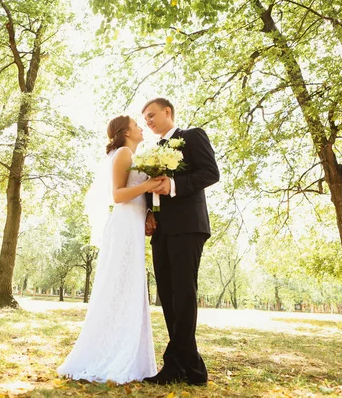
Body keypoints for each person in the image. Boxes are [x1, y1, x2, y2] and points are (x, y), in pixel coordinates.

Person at [57, 115, 161, 384]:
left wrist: (149, 209)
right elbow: (118, 196)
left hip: (135, 224)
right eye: (137, 124)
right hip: (124, 225)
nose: (141, 127)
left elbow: (135, 195)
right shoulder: (124, 152)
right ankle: (110, 354)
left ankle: (125, 350)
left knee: (129, 286)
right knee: (119, 286)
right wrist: (151, 183)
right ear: (124, 132)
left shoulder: (130, 153)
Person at [142, 97, 220, 386]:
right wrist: (149, 211)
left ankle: (174, 364)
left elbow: (211, 173)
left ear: (168, 112)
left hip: (188, 226)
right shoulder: (152, 151)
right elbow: (152, 187)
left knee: (184, 294)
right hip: (162, 230)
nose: (148, 121)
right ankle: (192, 369)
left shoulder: (191, 136)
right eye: (145, 118)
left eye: (151, 115)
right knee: (168, 294)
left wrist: (174, 185)